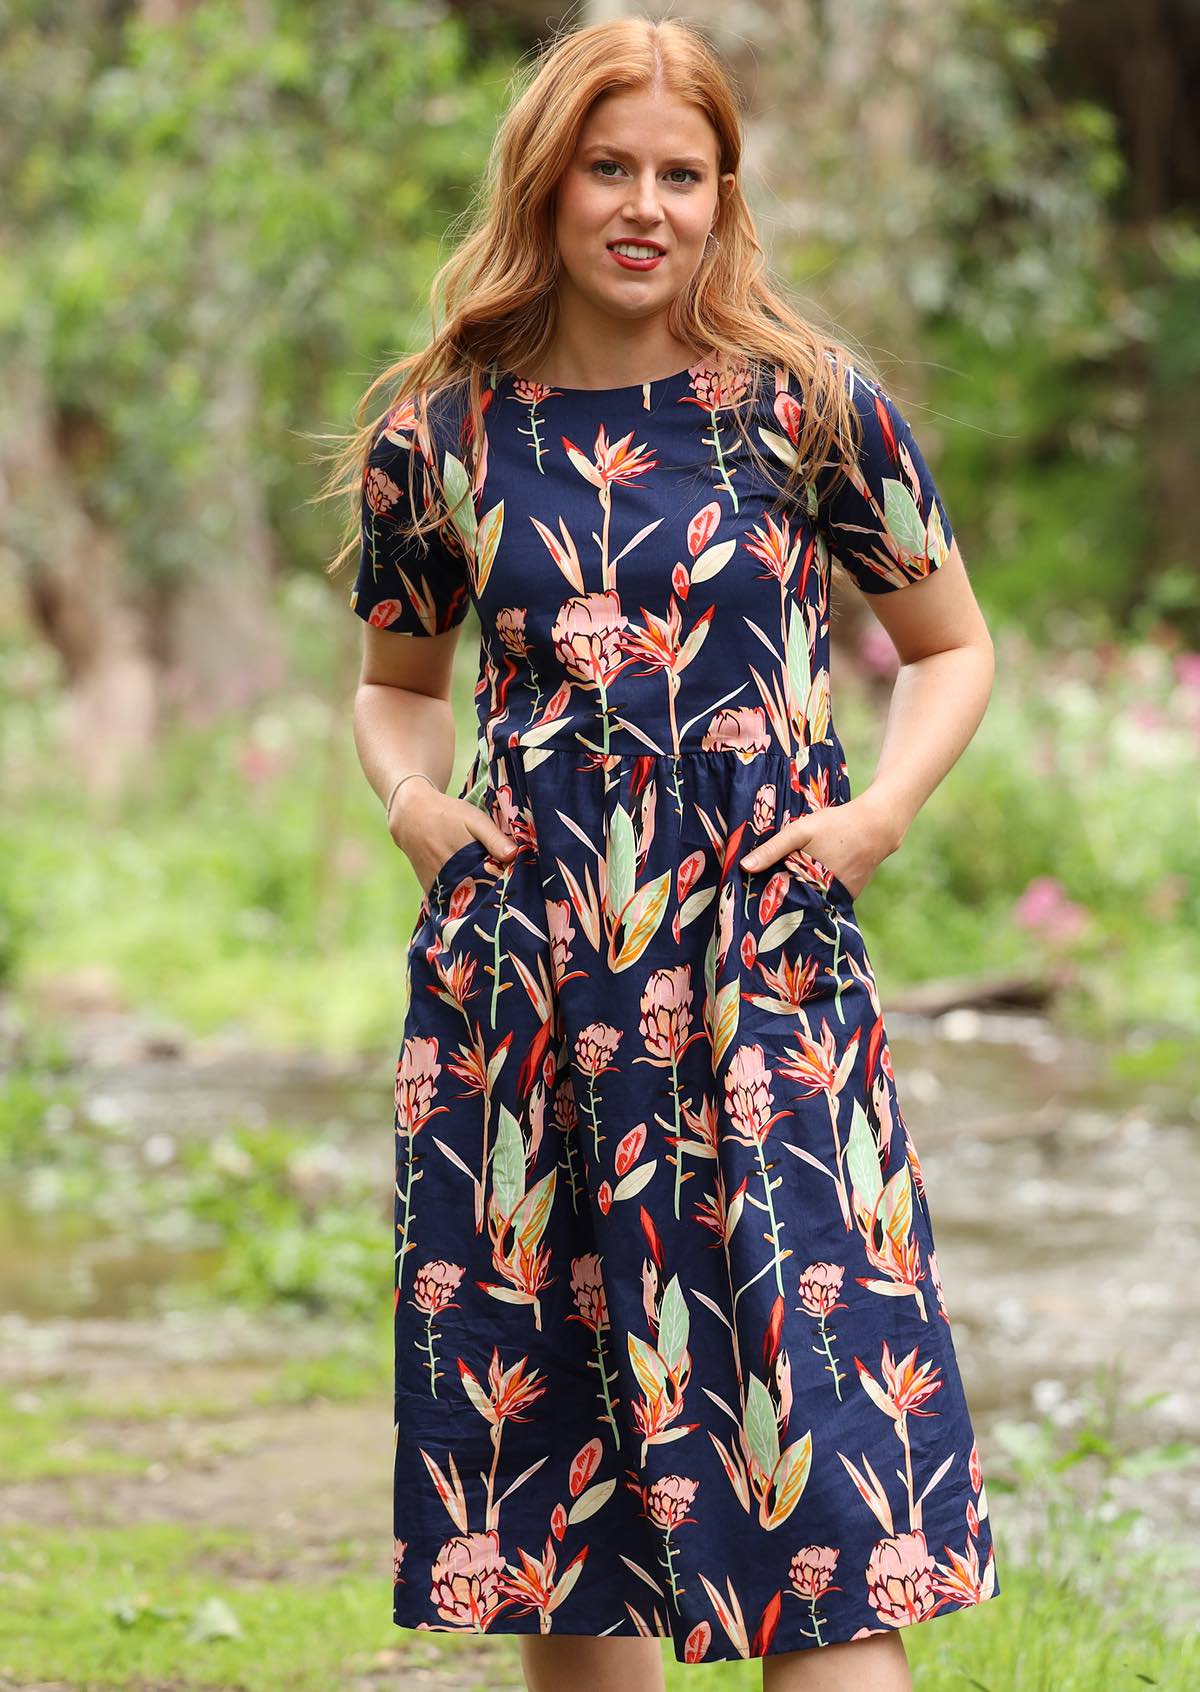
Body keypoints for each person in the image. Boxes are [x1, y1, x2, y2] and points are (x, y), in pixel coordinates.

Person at [331, 15, 1000, 1691]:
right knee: (563, 1503)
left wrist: (877, 817)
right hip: (530, 999)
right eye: (608, 169)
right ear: (545, 185)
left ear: (724, 193)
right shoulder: (444, 436)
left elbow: (952, 647)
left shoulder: (806, 409)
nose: (646, 206)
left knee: (825, 1484)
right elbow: (394, 685)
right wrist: (414, 808)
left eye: (681, 175)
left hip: (761, 986)